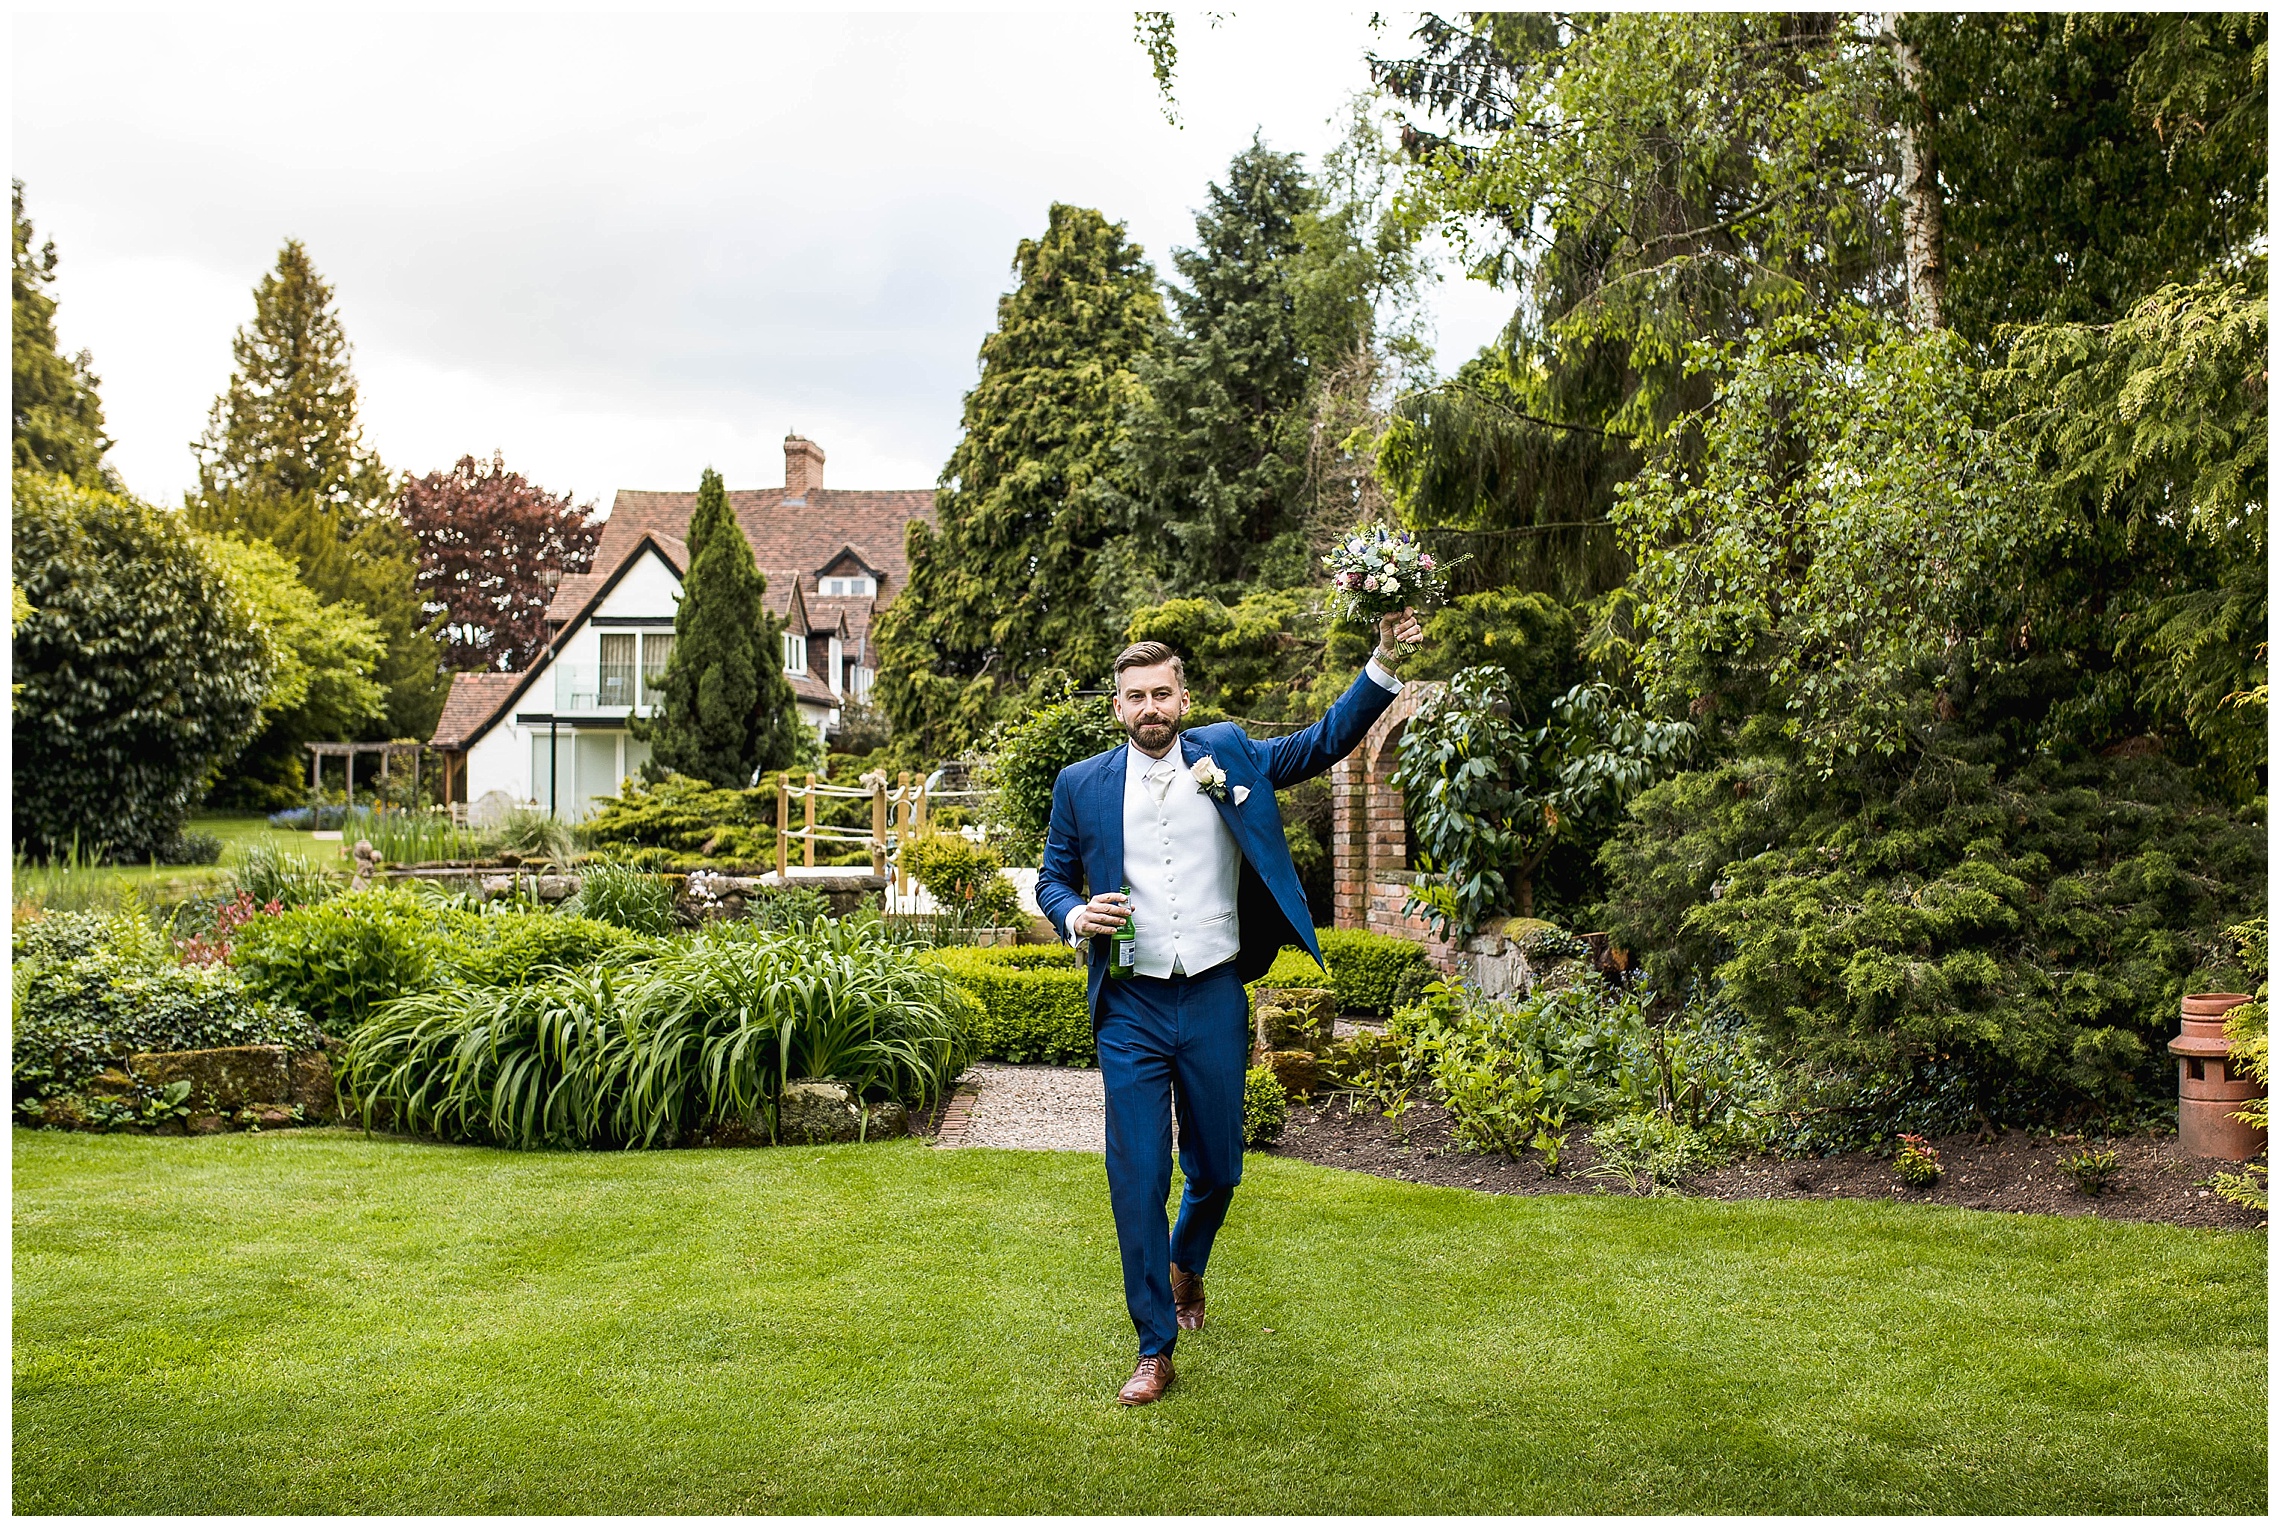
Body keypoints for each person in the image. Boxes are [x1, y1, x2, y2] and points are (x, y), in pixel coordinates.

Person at [1034, 608, 1425, 1406]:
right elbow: (1052, 878)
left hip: (1213, 990)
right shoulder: (1080, 785)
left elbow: (1319, 744)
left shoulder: (1230, 754)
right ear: (1117, 707)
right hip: (1132, 1006)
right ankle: (1154, 1344)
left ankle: (1189, 1261)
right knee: (1136, 1172)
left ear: (1184, 698)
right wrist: (1074, 916)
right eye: (1135, 696)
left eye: (1162, 694)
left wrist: (1382, 662)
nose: (1150, 708)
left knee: (1217, 1167)